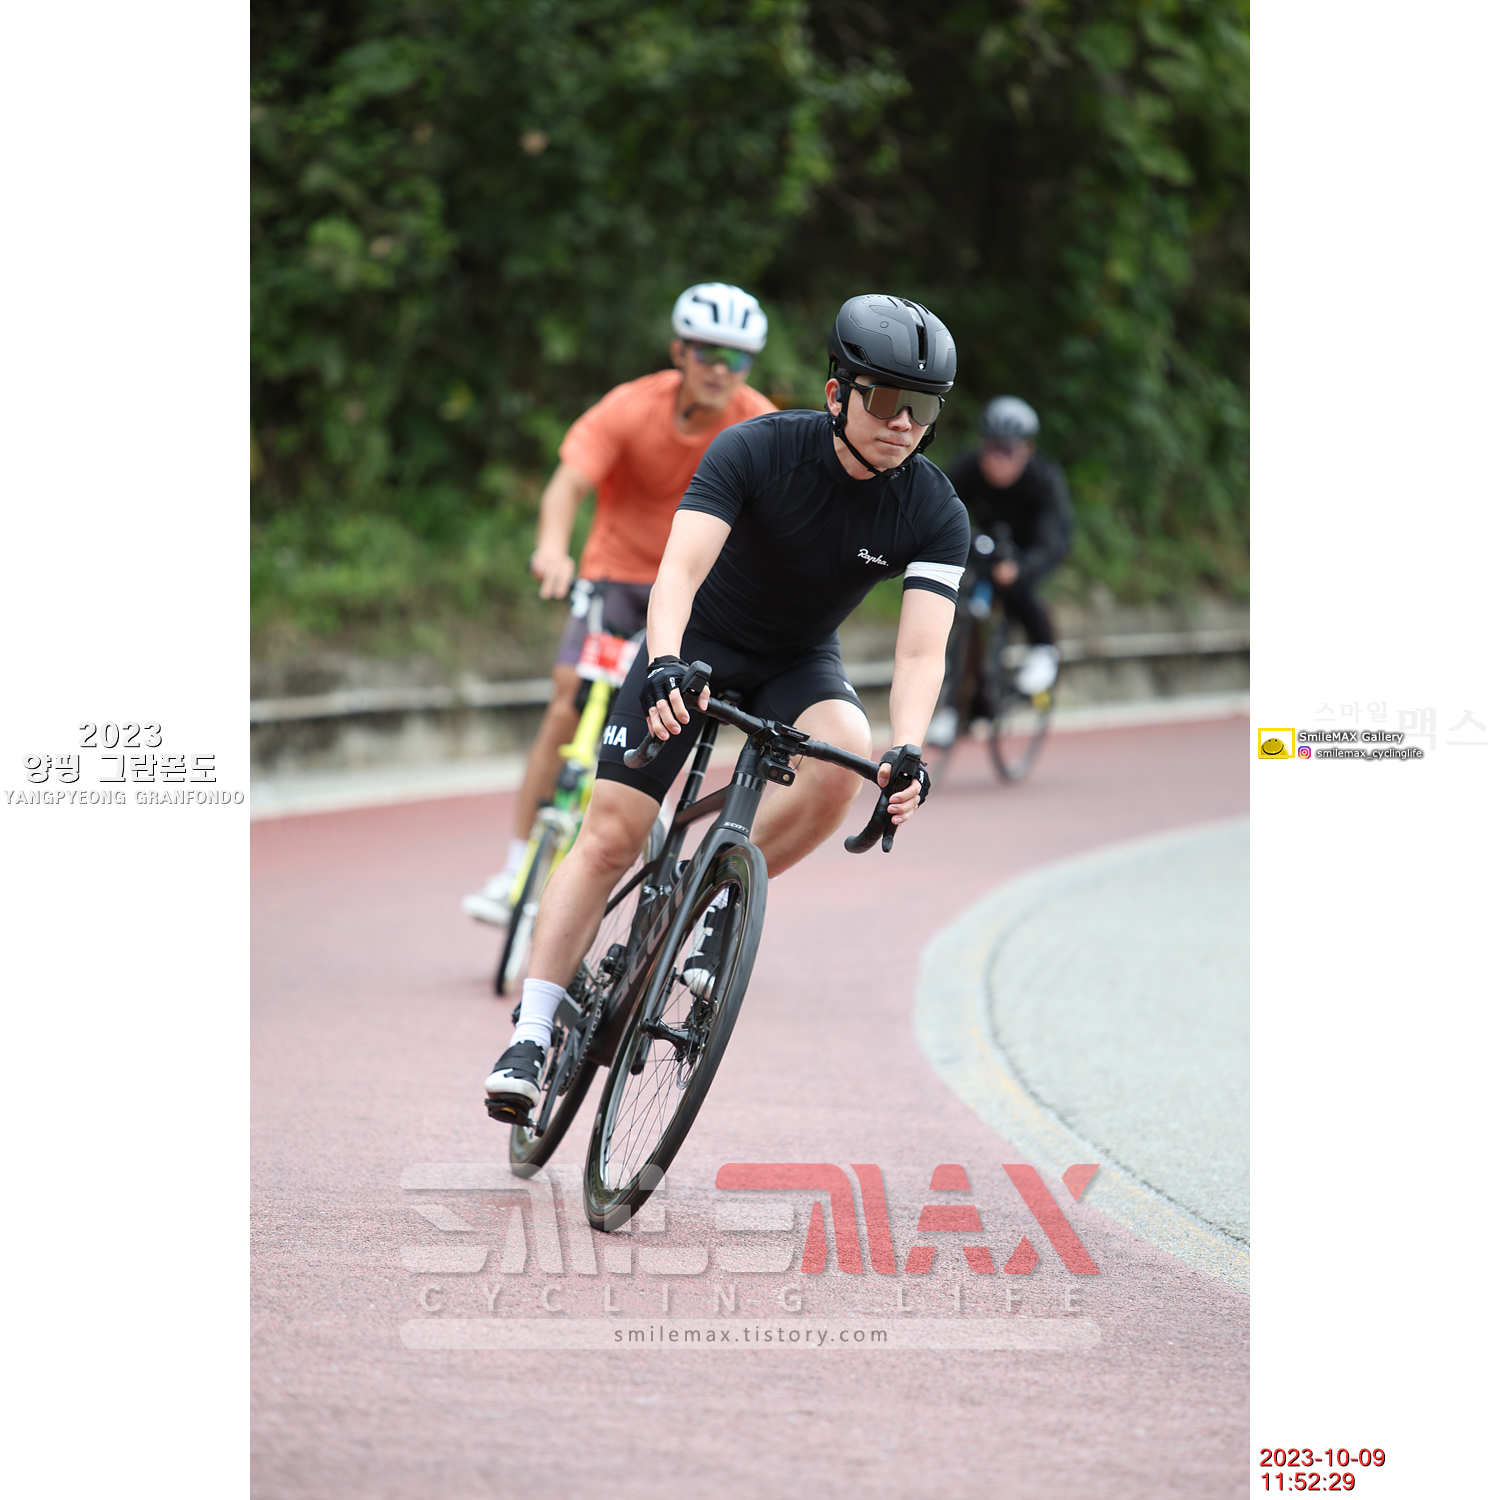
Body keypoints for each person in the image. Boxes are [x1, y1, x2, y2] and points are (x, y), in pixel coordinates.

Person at [484, 293, 971, 1117]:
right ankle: (530, 1034)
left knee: (845, 754)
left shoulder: (934, 510)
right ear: (837, 394)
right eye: (886, 399)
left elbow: (922, 651)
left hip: (797, 661)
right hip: (696, 641)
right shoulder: (757, 447)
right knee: (610, 836)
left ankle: (713, 895)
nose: (902, 424)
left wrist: (910, 749)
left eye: (922, 409)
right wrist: (666, 662)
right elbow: (676, 571)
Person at [462, 283, 777, 925]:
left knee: (671, 714)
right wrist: (552, 549)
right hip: (617, 579)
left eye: (737, 358)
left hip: (693, 590)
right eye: (708, 353)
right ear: (679, 352)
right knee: (568, 701)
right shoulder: (632, 406)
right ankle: (515, 867)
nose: (721, 369)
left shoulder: (759, 423)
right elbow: (567, 486)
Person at [926, 395, 1074, 746]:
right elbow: (937, 507)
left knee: (1017, 587)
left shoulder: (1042, 479)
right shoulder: (967, 468)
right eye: (991, 449)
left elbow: (1054, 539)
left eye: (1008, 452)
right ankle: (954, 706)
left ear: (1027, 450)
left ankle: (1043, 650)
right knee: (963, 612)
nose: (998, 461)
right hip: (984, 543)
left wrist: (1022, 567)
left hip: (1028, 549)